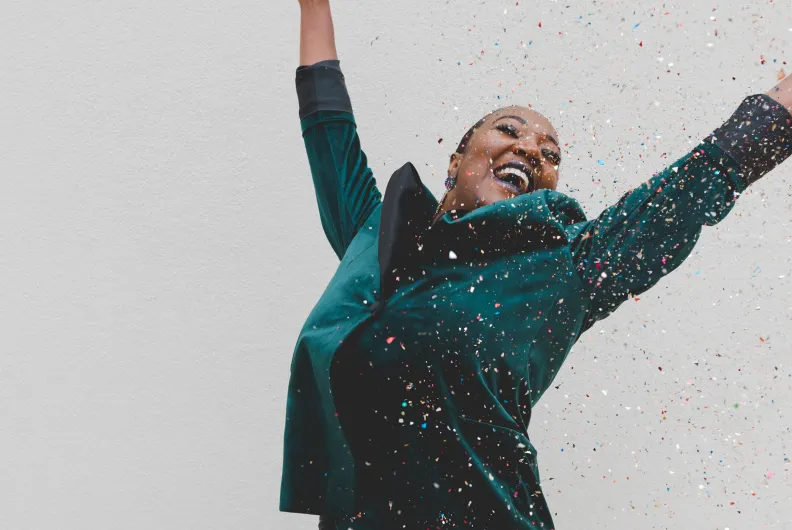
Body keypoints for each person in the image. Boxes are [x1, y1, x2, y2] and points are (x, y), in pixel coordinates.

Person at [280, 1, 792, 528]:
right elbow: (327, 123)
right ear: (457, 160)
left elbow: (688, 189)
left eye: (550, 153)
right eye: (509, 131)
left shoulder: (565, 268)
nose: (530, 149)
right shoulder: (373, 234)